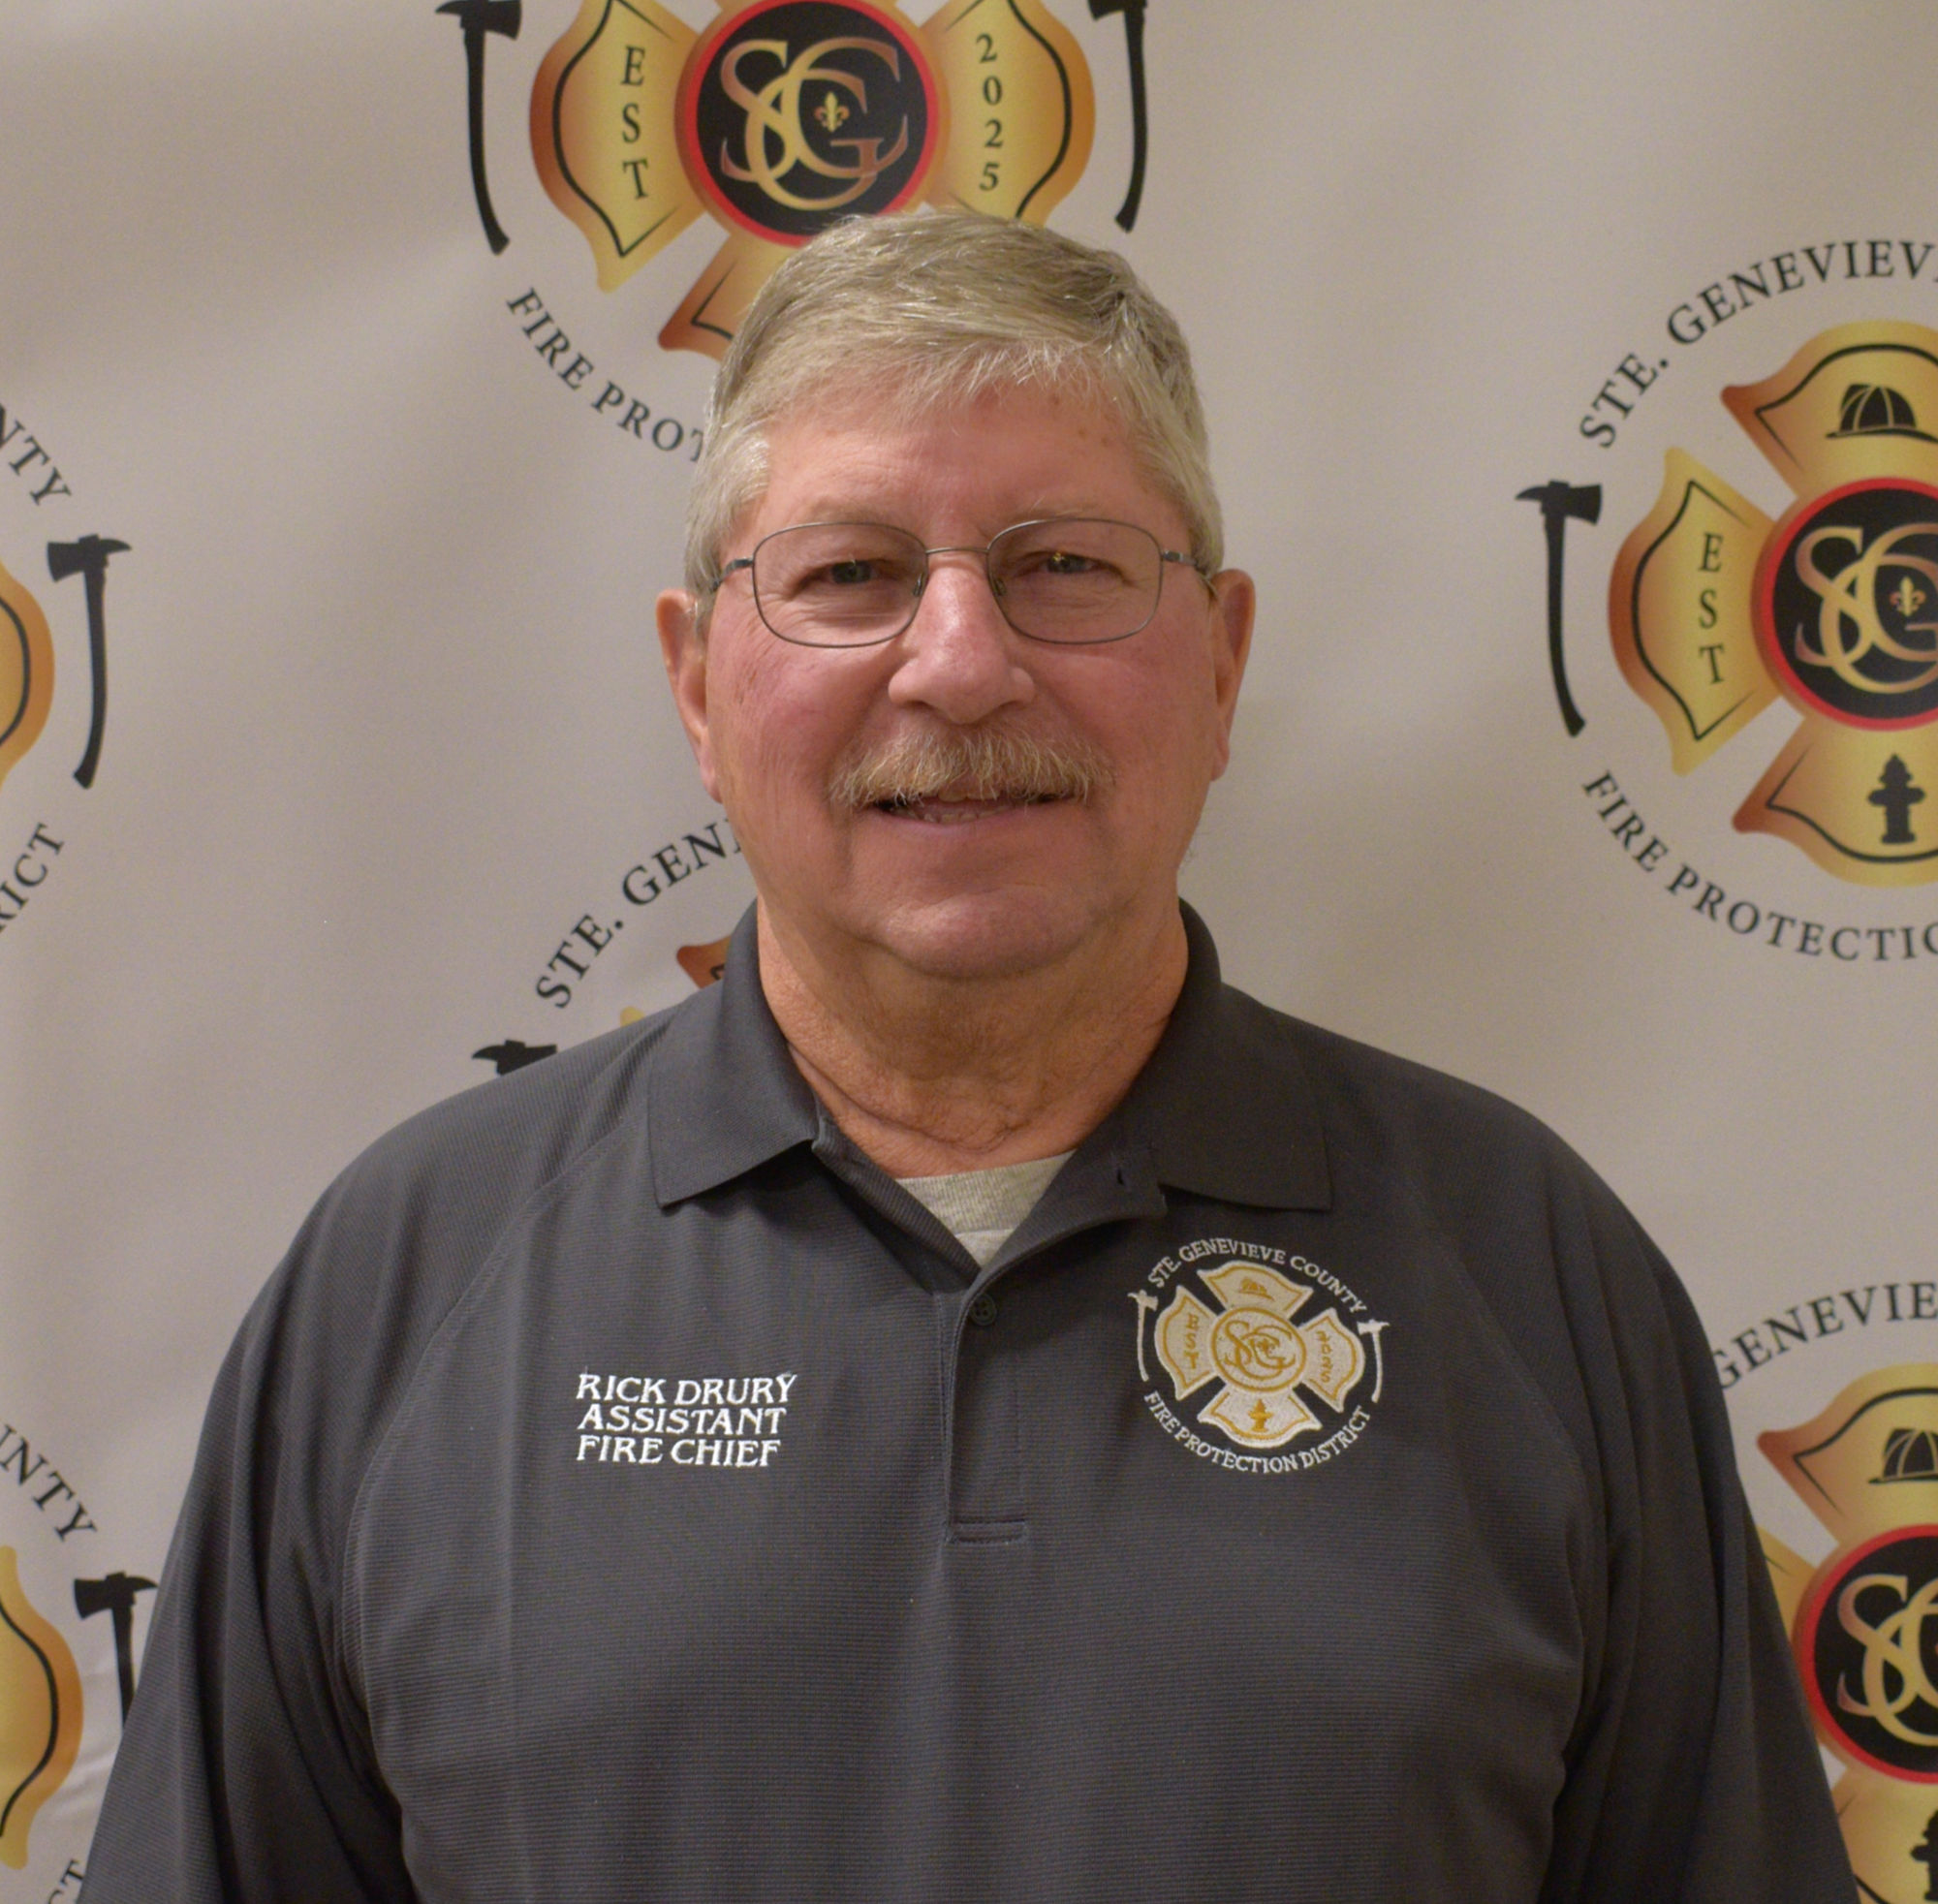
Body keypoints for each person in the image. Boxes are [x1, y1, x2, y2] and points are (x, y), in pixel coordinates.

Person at [82, 211, 1852, 1902]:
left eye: (1063, 568)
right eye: (851, 573)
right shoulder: (408, 1281)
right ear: (698, 688)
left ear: (1221, 666)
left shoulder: (1533, 1270)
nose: (961, 661)